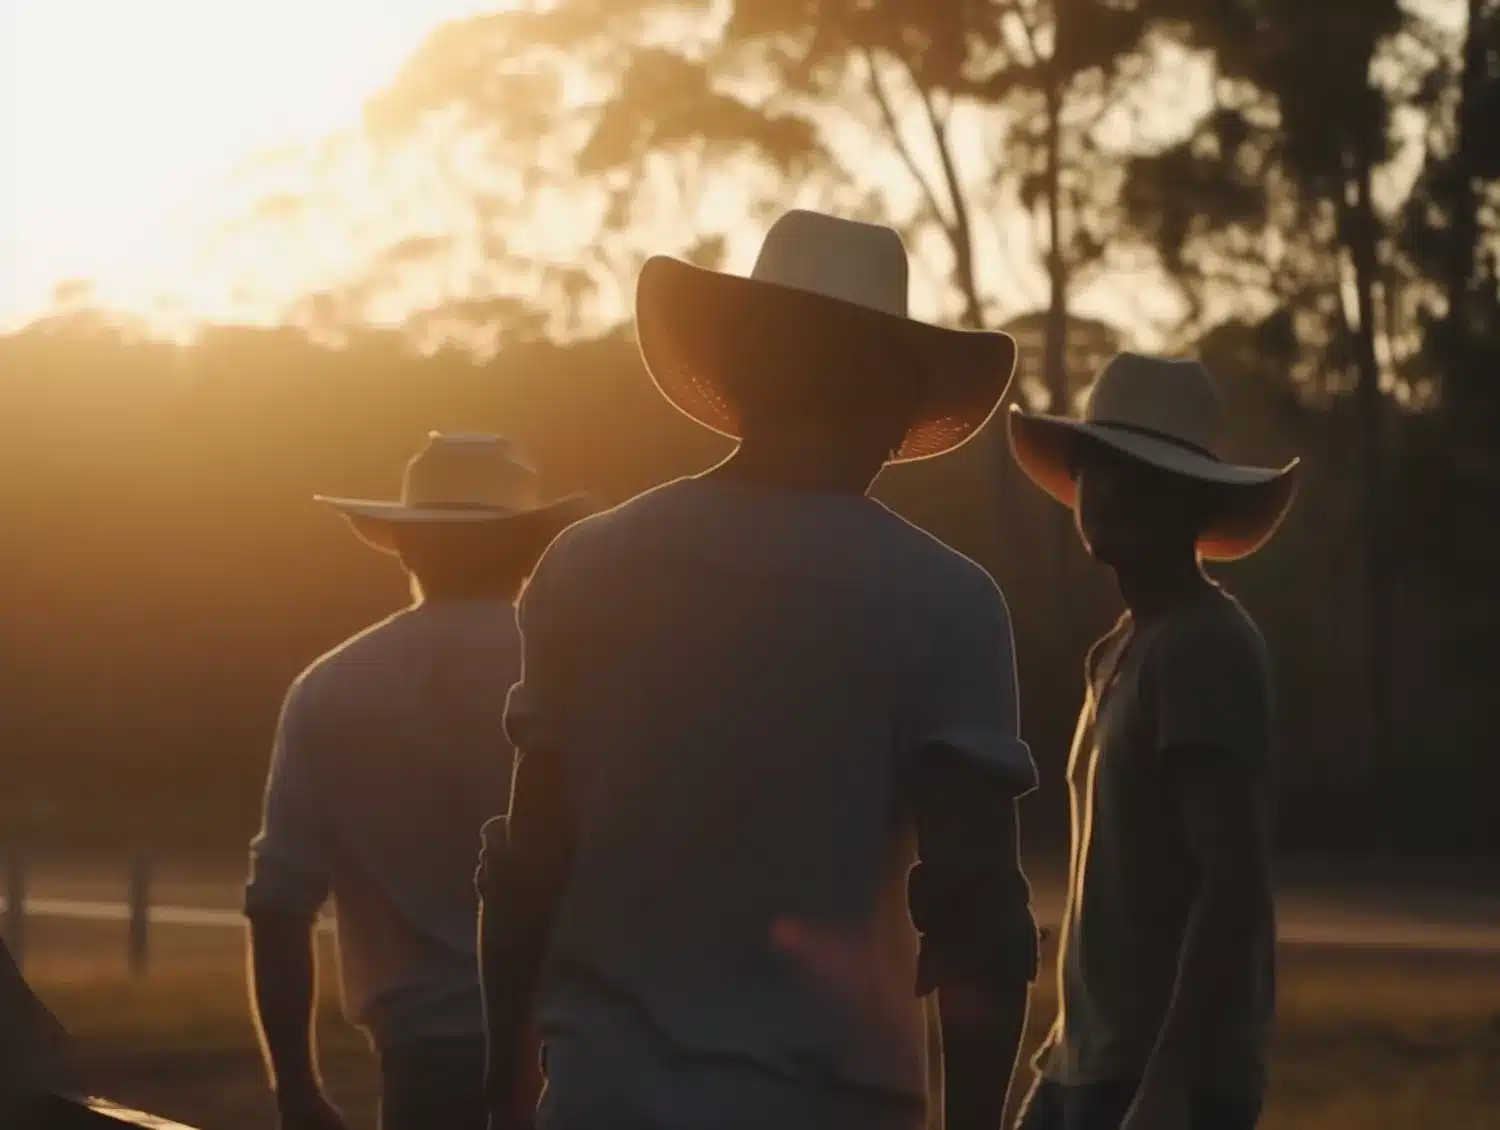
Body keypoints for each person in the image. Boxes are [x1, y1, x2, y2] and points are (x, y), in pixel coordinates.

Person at [478, 209, 1040, 1130]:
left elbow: (527, 870)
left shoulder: (586, 567)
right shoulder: (947, 602)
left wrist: (505, 1098)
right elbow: (978, 916)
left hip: (604, 1100)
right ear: (895, 407)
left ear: (738, 377)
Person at [243, 433, 593, 1130]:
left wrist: (297, 1090)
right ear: (530, 550)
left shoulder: (329, 688)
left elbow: (279, 904)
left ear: (404, 546)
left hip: (420, 1065)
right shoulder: (581, 676)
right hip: (572, 1056)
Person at [1006, 353, 1301, 1130]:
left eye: (1139, 475)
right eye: (1096, 465)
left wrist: (1169, 1084)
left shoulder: (1203, 646)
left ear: (1193, 502)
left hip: (1159, 1081)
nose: (1107, 490)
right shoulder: (1122, 650)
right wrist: (1058, 1068)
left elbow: (1232, 883)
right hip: (1091, 1068)